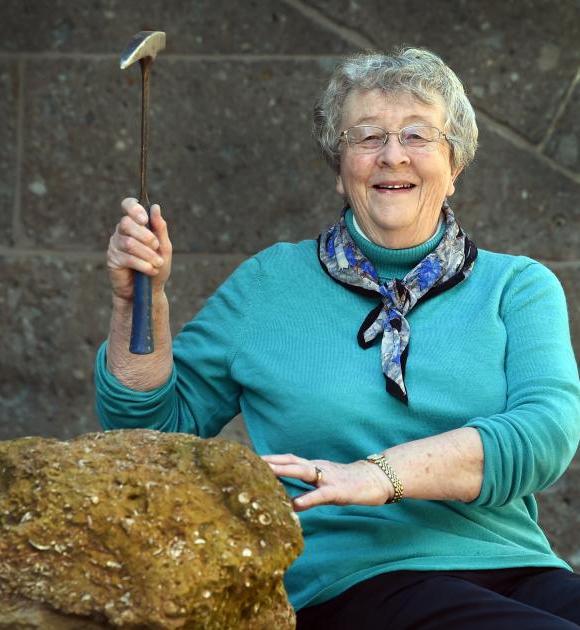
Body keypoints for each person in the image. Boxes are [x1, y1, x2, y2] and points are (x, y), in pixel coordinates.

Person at [95, 47, 580, 628]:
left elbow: (545, 434)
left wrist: (380, 474)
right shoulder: (270, 284)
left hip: (517, 565)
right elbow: (150, 435)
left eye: (418, 136)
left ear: (454, 167)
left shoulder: (518, 287)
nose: (392, 155)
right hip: (346, 579)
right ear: (339, 165)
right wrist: (136, 304)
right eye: (367, 137)